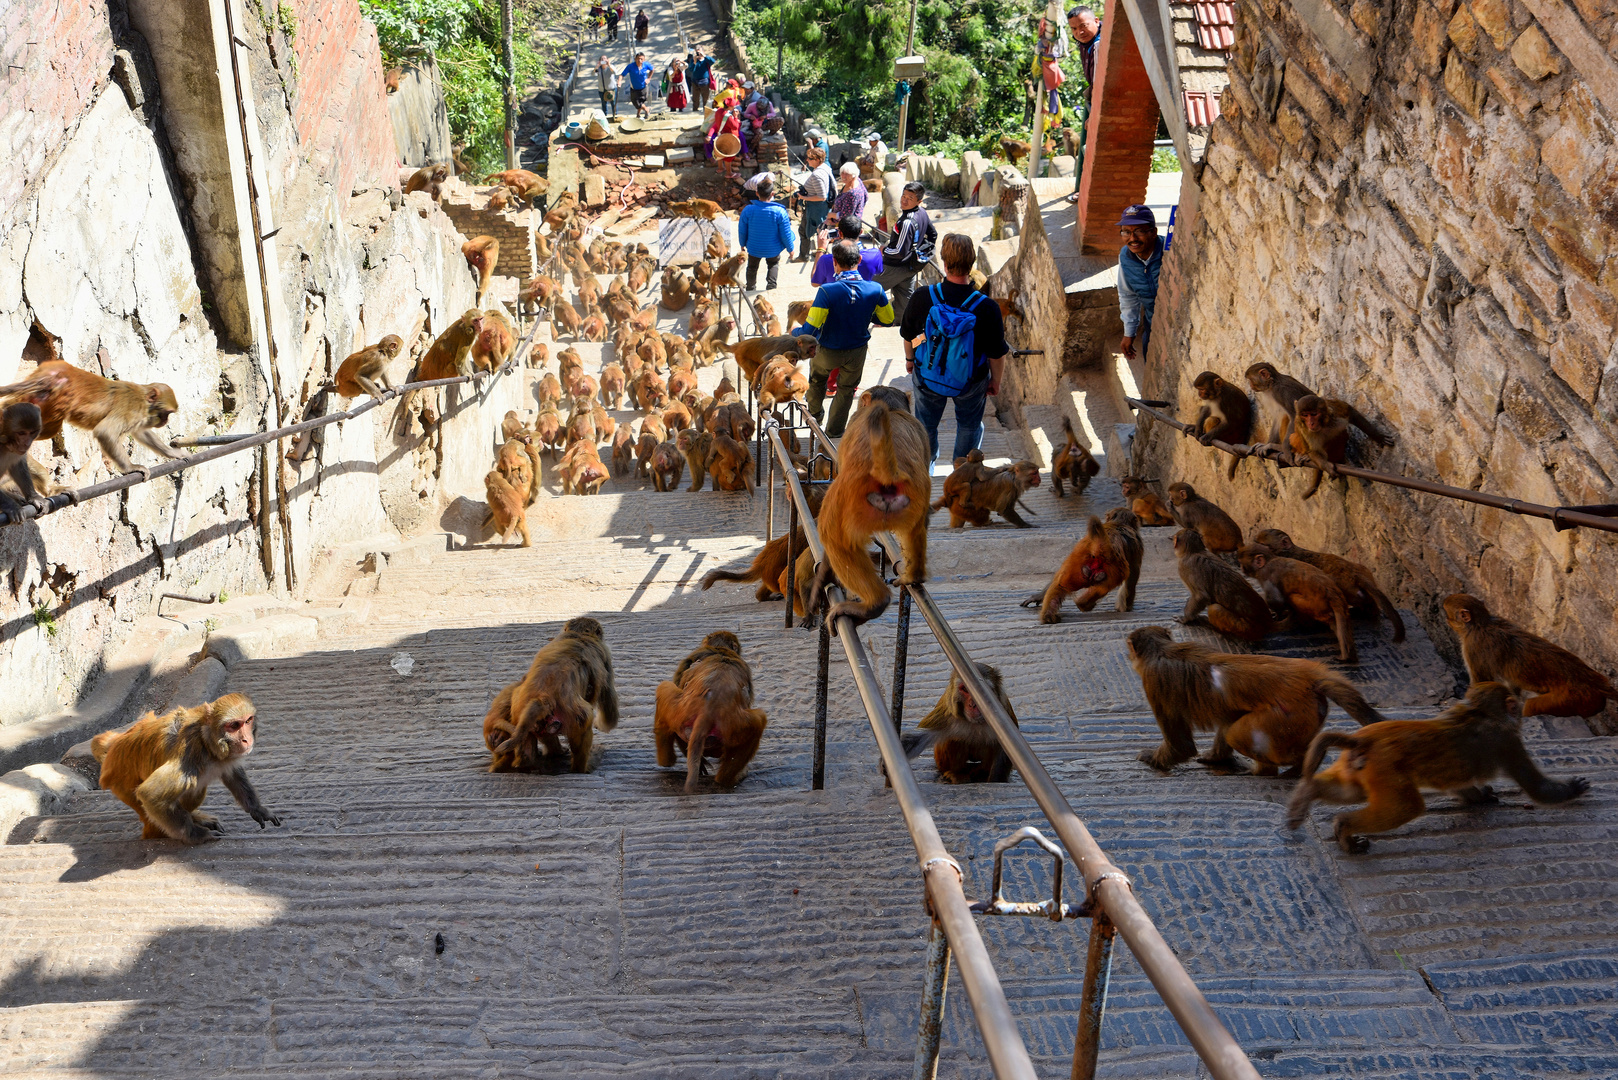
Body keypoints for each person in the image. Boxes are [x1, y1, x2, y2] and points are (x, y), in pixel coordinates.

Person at [901, 234, 1009, 466]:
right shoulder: (987, 307)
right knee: (969, 425)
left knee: (925, 425)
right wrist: (995, 381)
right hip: (971, 380)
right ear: (971, 264)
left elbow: (908, 335)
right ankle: (963, 474)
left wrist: (910, 360)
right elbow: (996, 353)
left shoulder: (923, 296)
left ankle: (924, 470)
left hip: (927, 375)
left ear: (943, 261)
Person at [803, 240, 896, 436]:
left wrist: (796, 334)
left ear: (834, 262)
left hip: (827, 350)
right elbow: (888, 319)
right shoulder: (876, 289)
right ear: (859, 260)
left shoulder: (827, 291)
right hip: (856, 351)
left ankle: (814, 416)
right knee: (846, 390)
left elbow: (811, 328)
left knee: (817, 379)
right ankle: (834, 431)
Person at [874, 181, 935, 323]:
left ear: (919, 201)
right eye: (903, 196)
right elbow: (933, 235)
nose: (904, 200)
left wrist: (884, 249)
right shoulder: (922, 213)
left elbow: (899, 252)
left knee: (868, 290)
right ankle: (899, 327)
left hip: (896, 267)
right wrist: (919, 251)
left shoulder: (907, 222)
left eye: (910, 198)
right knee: (904, 303)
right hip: (911, 267)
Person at [1115, 204, 1162, 362]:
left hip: (1175, 320)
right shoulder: (1125, 257)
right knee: (1151, 359)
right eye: (1126, 232)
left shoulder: (1170, 251)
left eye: (1139, 231)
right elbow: (1128, 295)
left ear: (1153, 232)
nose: (1132, 238)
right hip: (1152, 322)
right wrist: (1129, 332)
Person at [1065, 6, 1101, 202]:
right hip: (1093, 96)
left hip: (1103, 102)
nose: (1079, 32)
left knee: (1091, 150)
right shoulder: (1084, 42)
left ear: (1096, 21)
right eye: (1073, 29)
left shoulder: (1100, 44)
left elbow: (1104, 83)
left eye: (1083, 26)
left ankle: (1086, 191)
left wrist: (1094, 113)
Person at [736, 174, 795, 292]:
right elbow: (785, 233)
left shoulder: (748, 210)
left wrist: (742, 244)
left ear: (756, 193)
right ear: (772, 194)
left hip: (753, 248)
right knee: (773, 265)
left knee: (752, 267)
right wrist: (790, 248)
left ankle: (750, 288)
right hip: (773, 249)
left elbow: (742, 230)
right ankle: (771, 287)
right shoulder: (780, 212)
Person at [811, 215, 883, 285]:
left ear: (839, 233)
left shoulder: (826, 260)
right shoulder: (875, 254)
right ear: (861, 231)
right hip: (864, 296)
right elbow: (879, 274)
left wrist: (821, 249)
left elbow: (815, 282)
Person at [795, 146, 834, 262]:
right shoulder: (825, 168)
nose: (807, 160)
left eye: (810, 158)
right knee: (821, 230)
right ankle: (823, 255)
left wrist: (803, 197)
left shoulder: (817, 175)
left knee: (805, 231)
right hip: (822, 208)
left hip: (816, 209)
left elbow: (822, 196)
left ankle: (804, 256)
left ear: (817, 160)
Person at [828, 161, 867, 233]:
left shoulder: (852, 193)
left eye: (846, 174)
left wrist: (830, 215)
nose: (843, 176)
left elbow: (845, 216)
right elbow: (866, 196)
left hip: (846, 227)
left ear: (854, 175)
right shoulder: (857, 181)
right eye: (842, 173)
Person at [621, 51, 655, 120]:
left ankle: (638, 115)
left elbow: (652, 69)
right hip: (634, 88)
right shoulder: (631, 66)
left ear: (644, 59)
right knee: (635, 102)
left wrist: (649, 78)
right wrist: (619, 81)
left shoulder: (646, 65)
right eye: (638, 59)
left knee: (641, 102)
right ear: (635, 59)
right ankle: (646, 109)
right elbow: (622, 74)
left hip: (643, 87)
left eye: (641, 59)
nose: (640, 60)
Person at [687, 45, 715, 112]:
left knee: (705, 98)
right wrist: (694, 61)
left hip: (704, 81)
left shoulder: (706, 60)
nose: (698, 54)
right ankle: (695, 109)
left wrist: (704, 56)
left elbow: (713, 61)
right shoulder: (694, 60)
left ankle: (706, 110)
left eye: (699, 52)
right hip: (695, 81)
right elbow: (691, 69)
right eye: (697, 52)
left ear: (702, 51)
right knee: (695, 98)